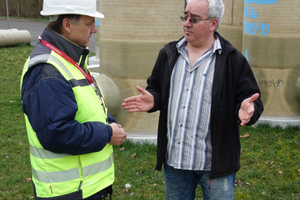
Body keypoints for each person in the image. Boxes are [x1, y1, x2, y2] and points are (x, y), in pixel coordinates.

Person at [122, 0, 264, 199]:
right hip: (175, 163)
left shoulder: (232, 60)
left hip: (215, 166)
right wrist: (154, 100)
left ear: (213, 24)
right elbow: (155, 88)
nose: (186, 23)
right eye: (185, 16)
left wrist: (247, 110)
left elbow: (253, 101)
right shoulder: (169, 54)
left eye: (194, 19)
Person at [20, 0, 127, 199]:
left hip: (85, 187)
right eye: (89, 23)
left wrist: (109, 122)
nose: (94, 30)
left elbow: (84, 104)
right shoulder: (48, 69)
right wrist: (106, 133)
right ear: (67, 25)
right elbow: (56, 132)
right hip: (68, 191)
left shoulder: (69, 58)